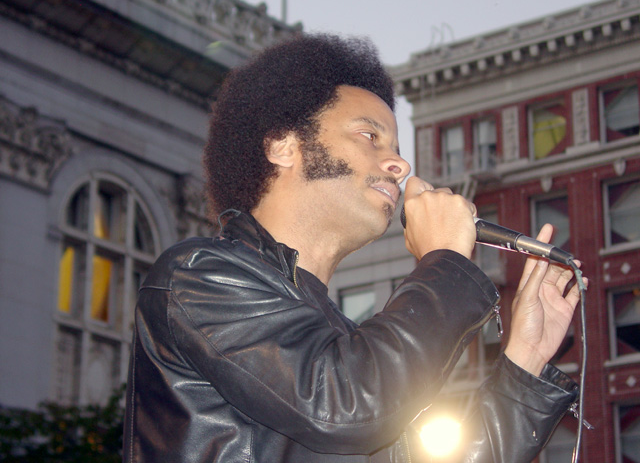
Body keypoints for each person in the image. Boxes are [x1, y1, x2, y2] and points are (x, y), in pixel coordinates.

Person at [123, 33, 586, 462]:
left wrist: (525, 361)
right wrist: (444, 262)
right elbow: (344, 406)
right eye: (370, 136)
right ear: (284, 146)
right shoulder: (199, 276)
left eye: (398, 147)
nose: (400, 164)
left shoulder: (346, 343)